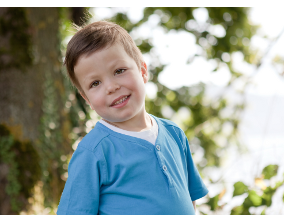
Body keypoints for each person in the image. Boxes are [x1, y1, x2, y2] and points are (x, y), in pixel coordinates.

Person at [57, 20, 208, 215]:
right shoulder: (93, 152)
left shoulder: (174, 134)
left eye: (119, 71)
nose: (111, 87)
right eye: (95, 83)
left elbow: (190, 200)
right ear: (86, 98)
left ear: (143, 71)